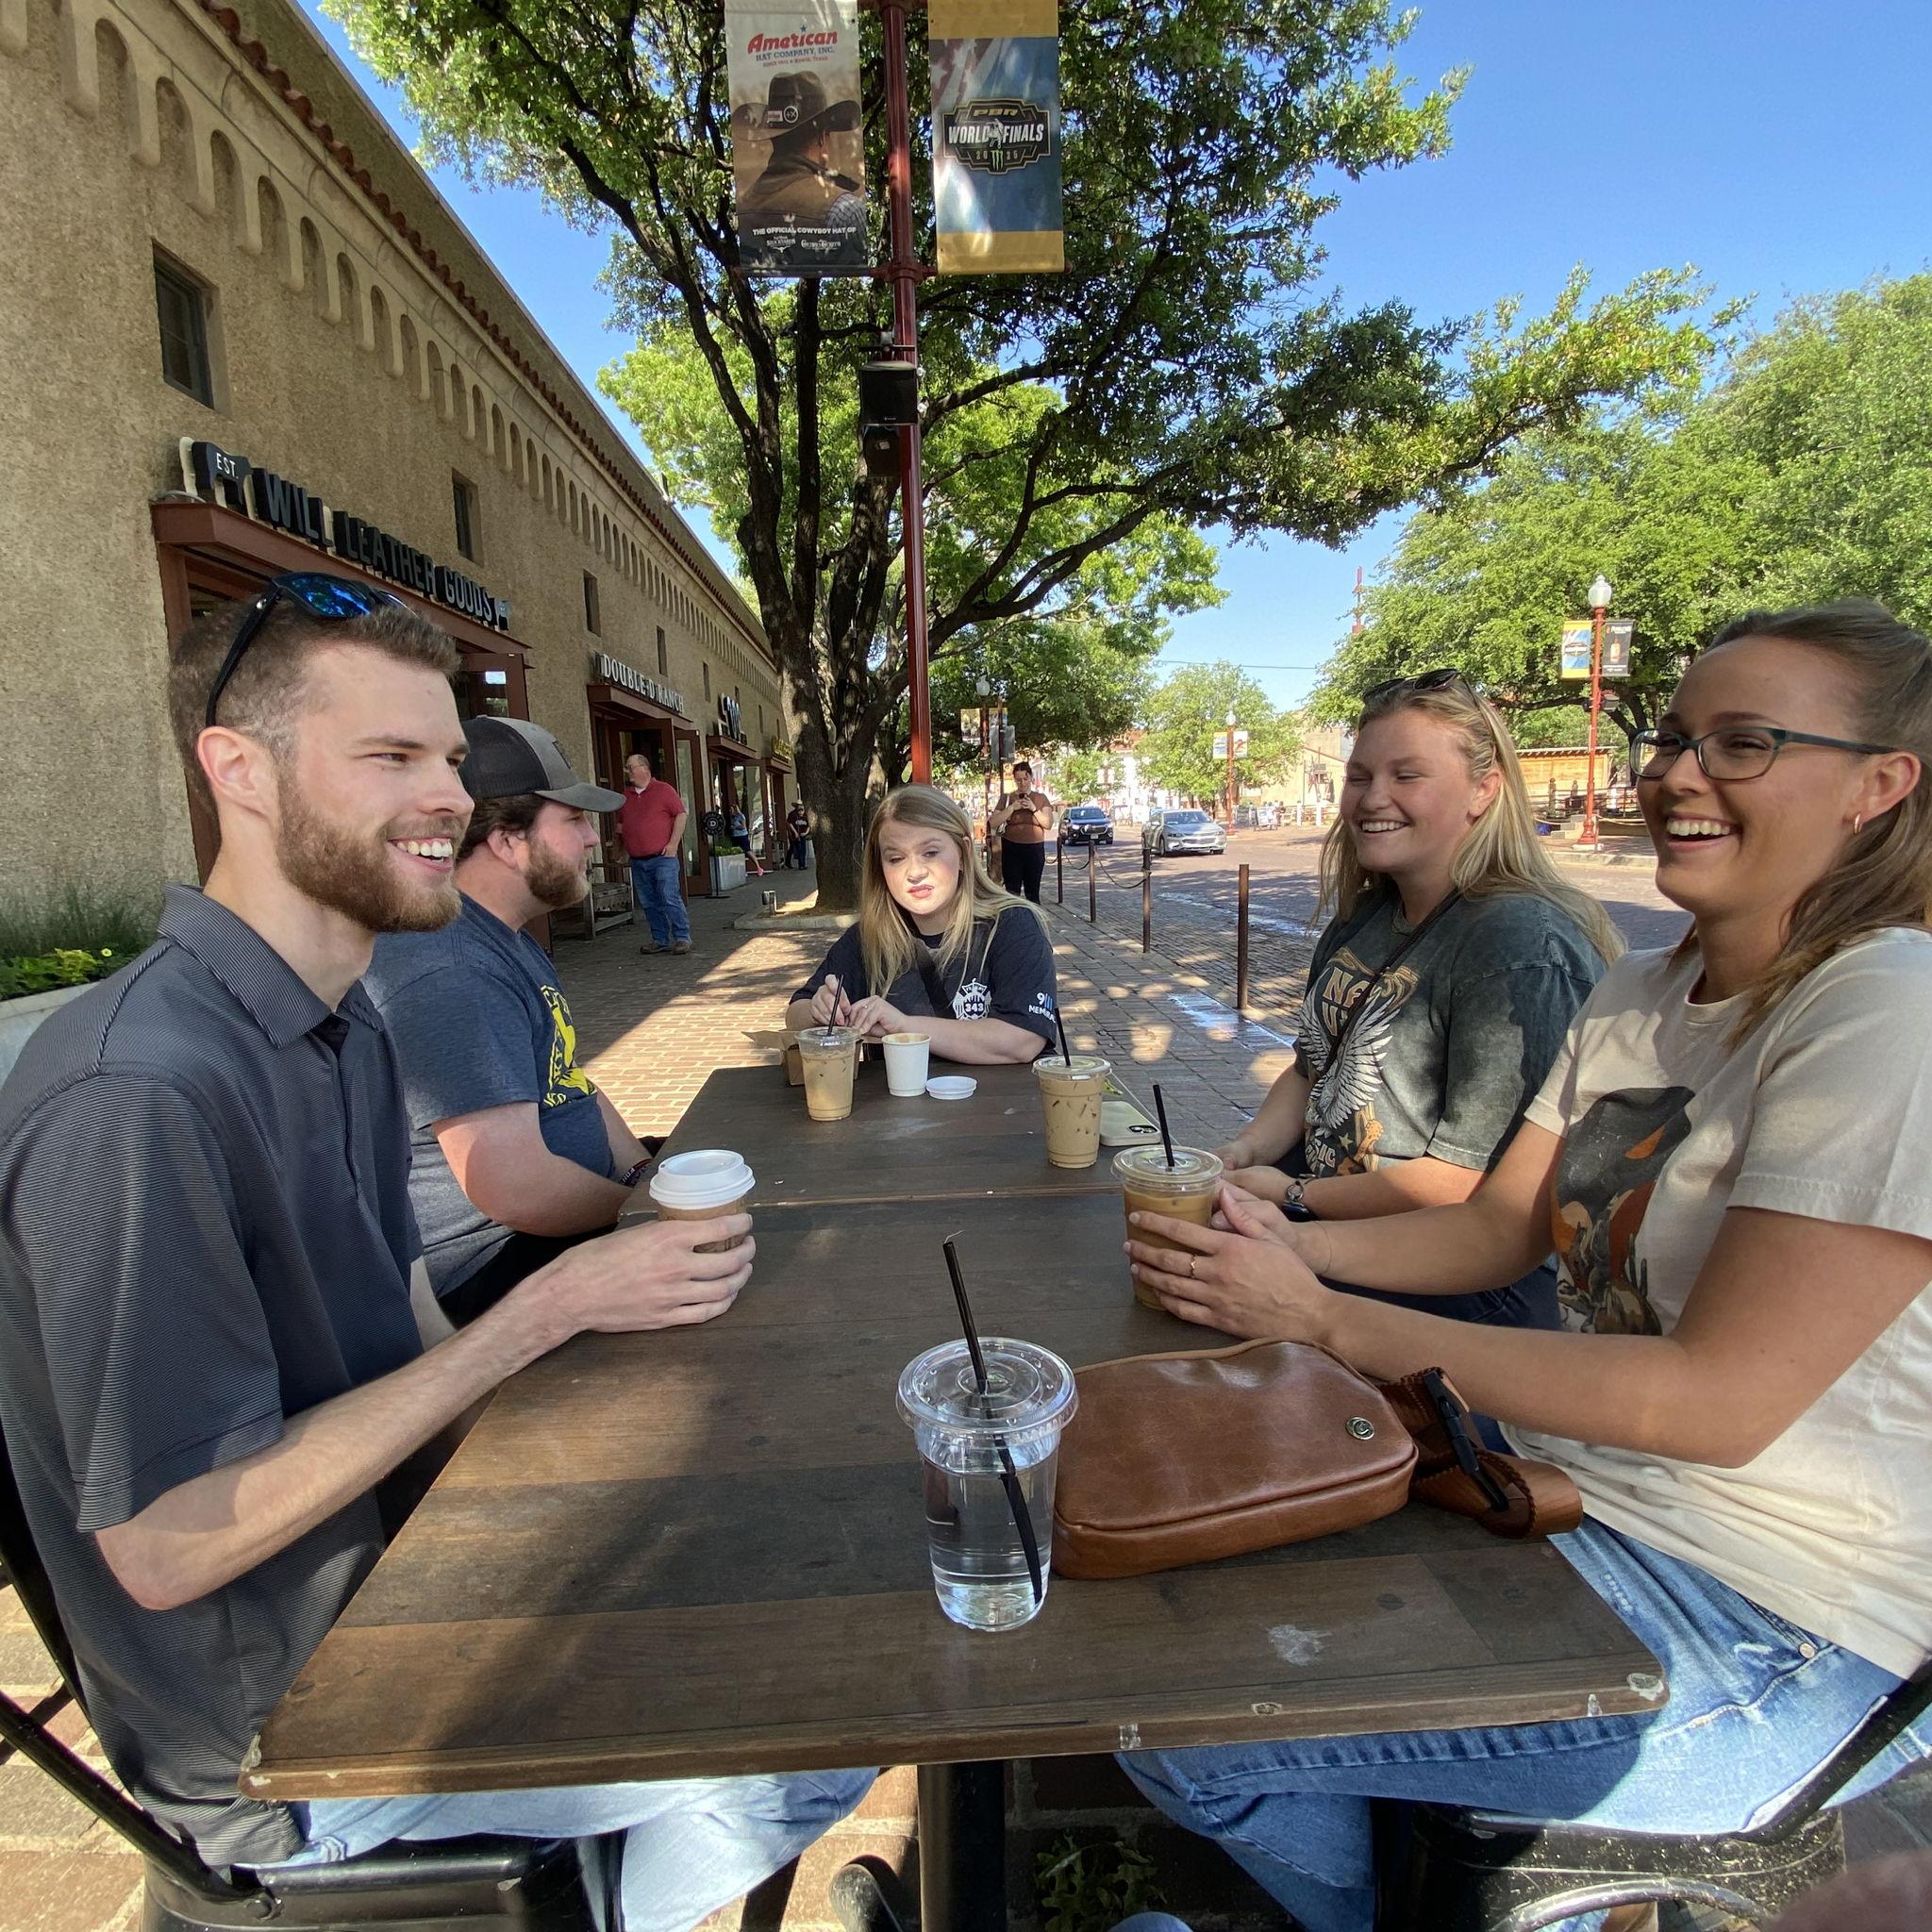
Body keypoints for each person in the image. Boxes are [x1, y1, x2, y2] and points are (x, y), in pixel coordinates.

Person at [0, 578, 869, 1932]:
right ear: (236, 769)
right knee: (854, 1688)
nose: (450, 801)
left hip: (419, 1571)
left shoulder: (337, 1018)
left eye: (452, 761)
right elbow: (165, 1551)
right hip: (290, 1732)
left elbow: (403, 1316)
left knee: (808, 1523)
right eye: (390, 758)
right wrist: (547, 1314)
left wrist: (556, 1474)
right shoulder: (135, 1093)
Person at [1118, 603, 1932, 1932]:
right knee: (1191, 1548)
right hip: (1569, 1494)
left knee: (1190, 1719)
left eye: (1743, 745)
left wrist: (1324, 1318)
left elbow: (1716, 1401)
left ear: (1880, 786)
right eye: (1672, 739)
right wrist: (1277, 1246)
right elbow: (1500, 1229)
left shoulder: (1888, 1004)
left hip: (1780, 1626)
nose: (1672, 775)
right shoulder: (1643, 988)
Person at [1214, 672, 1620, 1329]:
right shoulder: (1365, 915)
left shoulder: (1518, 944)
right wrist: (1244, 1153)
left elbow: (1470, 1186)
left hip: (1464, 1280)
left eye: (1408, 776)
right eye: (1360, 775)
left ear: (1484, 790)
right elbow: (1309, 1068)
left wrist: (1293, 1196)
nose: (1374, 798)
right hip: (1325, 1218)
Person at [363, 718, 665, 1324]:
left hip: (561, 1224)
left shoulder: (503, 937)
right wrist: (645, 1212)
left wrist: (642, 1169)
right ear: (506, 841)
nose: (594, 840)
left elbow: (569, 1079)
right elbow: (514, 1188)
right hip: (497, 1268)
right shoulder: (450, 969)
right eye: (574, 820)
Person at [785, 784, 1057, 1063]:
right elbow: (795, 1013)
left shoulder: (1012, 925)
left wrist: (902, 1026)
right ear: (880, 869)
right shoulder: (868, 937)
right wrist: (819, 1009)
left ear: (962, 854)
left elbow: (1022, 1040)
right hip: (897, 1105)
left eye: (930, 853)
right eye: (895, 858)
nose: (914, 872)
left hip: (998, 1105)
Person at [617, 751, 691, 956]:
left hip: (663, 857)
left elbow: (681, 815)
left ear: (644, 768)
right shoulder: (626, 797)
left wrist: (673, 844)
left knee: (669, 896)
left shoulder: (664, 790)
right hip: (638, 860)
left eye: (630, 767)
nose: (627, 771)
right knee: (649, 902)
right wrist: (623, 850)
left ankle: (682, 937)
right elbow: (622, 826)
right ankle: (659, 939)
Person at [991, 759, 1056, 903]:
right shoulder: (1007, 798)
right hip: (1012, 847)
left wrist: (1033, 808)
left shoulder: (1040, 798)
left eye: (1025, 779)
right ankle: (1014, 920)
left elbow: (1048, 824)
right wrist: (1012, 808)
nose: (1022, 783)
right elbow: (993, 822)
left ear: (1031, 777)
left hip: (1034, 848)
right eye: (1018, 780)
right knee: (1012, 891)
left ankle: (1033, 921)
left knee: (1032, 892)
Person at [729, 802, 767, 876]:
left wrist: (734, 827)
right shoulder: (732, 817)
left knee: (748, 851)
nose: (730, 811)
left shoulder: (741, 816)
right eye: (730, 810)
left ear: (735, 809)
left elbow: (743, 826)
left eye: (731, 809)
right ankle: (742, 870)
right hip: (735, 836)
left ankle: (758, 867)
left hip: (742, 836)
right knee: (738, 853)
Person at [787, 799, 810, 869]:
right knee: (793, 848)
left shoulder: (805, 815)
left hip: (802, 834)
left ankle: (802, 864)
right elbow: (789, 824)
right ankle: (789, 862)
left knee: (802, 849)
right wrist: (794, 833)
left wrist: (805, 833)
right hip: (793, 834)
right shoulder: (792, 814)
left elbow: (808, 825)